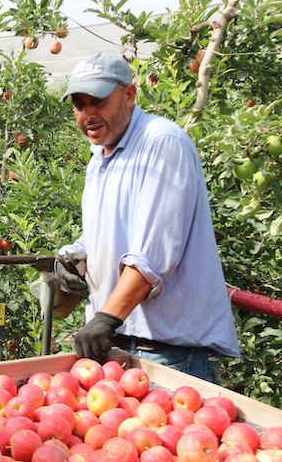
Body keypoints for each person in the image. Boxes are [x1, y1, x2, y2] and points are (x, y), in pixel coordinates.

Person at [55, 52, 239, 382]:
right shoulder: (100, 157)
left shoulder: (162, 143)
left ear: (129, 94)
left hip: (170, 352)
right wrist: (75, 259)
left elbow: (153, 254)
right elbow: (108, 235)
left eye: (97, 101)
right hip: (123, 341)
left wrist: (106, 317)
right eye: (79, 105)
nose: (87, 115)